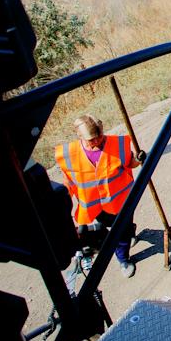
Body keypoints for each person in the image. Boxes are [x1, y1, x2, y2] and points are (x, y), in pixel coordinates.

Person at [55, 115, 141, 278]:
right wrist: (63, 197)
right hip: (96, 206)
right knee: (116, 227)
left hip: (122, 200)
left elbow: (130, 163)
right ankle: (129, 231)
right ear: (79, 136)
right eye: (91, 139)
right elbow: (69, 181)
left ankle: (123, 259)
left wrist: (138, 159)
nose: (97, 141)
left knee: (119, 230)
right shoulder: (71, 154)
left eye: (99, 136)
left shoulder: (117, 145)